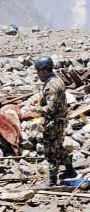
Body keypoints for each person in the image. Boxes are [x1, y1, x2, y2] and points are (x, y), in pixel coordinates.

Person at [32, 56, 77, 187]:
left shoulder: (51, 86)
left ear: (42, 70)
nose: (38, 74)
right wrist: (41, 102)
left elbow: (50, 109)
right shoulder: (57, 79)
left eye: (38, 71)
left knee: (51, 151)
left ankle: (52, 181)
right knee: (59, 146)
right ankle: (70, 171)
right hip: (61, 120)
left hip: (54, 122)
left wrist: (34, 109)